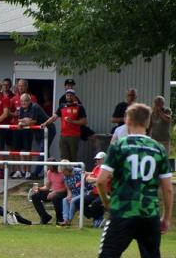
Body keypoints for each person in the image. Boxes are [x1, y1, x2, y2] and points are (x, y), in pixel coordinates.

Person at [97, 103, 173, 257]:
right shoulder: (158, 149)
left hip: (123, 211)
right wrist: (165, 217)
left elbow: (100, 180)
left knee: (108, 254)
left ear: (127, 120)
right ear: (148, 122)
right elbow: (168, 188)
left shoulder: (120, 146)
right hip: (149, 214)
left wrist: (106, 202)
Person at [16, 93, 56, 179]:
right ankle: (53, 172)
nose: (23, 103)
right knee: (46, 153)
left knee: (42, 151)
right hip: (38, 132)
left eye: (26, 101)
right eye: (21, 101)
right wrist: (24, 120)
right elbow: (19, 120)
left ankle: (35, 173)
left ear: (30, 101)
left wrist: (23, 122)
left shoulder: (35, 107)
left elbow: (33, 122)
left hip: (48, 130)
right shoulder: (22, 109)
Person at [41, 89, 87, 161]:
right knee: (63, 157)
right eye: (67, 95)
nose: (69, 97)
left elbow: (84, 121)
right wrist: (45, 123)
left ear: (74, 97)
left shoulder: (79, 107)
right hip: (63, 136)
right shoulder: (62, 106)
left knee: (73, 157)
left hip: (74, 136)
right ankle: (64, 172)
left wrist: (73, 121)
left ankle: (72, 171)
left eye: (71, 95)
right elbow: (54, 117)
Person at [30, 159, 67, 225]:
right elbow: (47, 187)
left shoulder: (62, 173)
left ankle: (60, 219)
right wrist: (39, 189)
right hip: (53, 192)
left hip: (63, 192)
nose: (48, 167)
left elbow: (66, 189)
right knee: (34, 196)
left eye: (49, 166)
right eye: (47, 166)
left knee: (55, 198)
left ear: (55, 165)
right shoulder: (49, 172)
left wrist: (54, 192)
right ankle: (45, 217)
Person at [58, 160, 91, 226]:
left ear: (67, 169)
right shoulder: (65, 177)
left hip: (85, 192)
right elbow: (68, 188)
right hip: (75, 193)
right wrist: (69, 195)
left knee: (73, 201)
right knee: (65, 200)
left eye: (63, 171)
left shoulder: (78, 171)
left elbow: (89, 175)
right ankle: (65, 219)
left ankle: (69, 220)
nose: (62, 173)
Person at [83, 152, 109, 228]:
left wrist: (94, 180)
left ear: (104, 159)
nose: (97, 161)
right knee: (81, 201)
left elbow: (104, 180)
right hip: (94, 192)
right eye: (96, 159)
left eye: (99, 159)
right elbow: (88, 179)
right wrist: (97, 180)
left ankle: (97, 218)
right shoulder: (96, 168)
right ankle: (96, 217)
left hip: (104, 192)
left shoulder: (108, 168)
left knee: (95, 203)